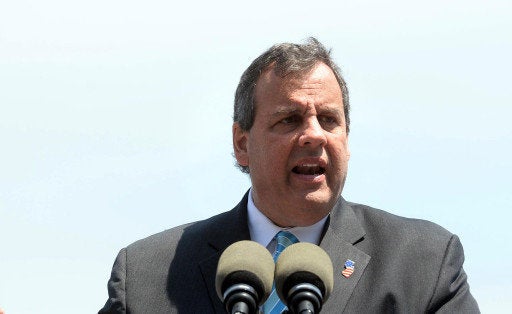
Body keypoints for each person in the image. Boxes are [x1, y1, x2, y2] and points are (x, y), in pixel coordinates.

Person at [99, 37, 479, 313]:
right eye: (289, 119)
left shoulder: (424, 264)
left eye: (329, 120)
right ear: (242, 143)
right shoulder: (147, 277)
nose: (314, 134)